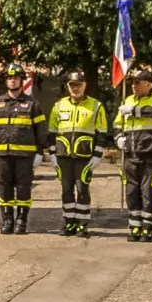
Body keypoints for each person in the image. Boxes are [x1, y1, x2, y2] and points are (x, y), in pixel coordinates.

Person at [0, 63, 48, 234]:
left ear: (22, 80)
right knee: (3, 188)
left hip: (24, 156)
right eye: (10, 78)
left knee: (23, 188)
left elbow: (40, 131)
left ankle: (21, 221)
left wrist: (40, 152)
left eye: (16, 78)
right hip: (2, 155)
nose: (12, 81)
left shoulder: (32, 105)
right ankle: (7, 221)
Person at [47, 71, 108, 237]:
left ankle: (82, 224)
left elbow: (101, 133)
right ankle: (69, 222)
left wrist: (97, 155)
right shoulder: (59, 106)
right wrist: (52, 154)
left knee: (82, 189)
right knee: (66, 190)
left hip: (84, 157)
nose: (75, 88)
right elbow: (51, 133)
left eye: (78, 85)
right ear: (67, 86)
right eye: (72, 85)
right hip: (63, 156)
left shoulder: (96, 106)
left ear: (85, 86)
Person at [115, 67, 152, 242]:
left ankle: (148, 227)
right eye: (132, 82)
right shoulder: (127, 100)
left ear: (149, 84)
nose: (133, 85)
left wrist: (133, 111)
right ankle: (134, 226)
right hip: (131, 154)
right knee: (131, 191)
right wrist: (117, 138)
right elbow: (118, 124)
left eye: (138, 82)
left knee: (148, 191)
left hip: (151, 153)